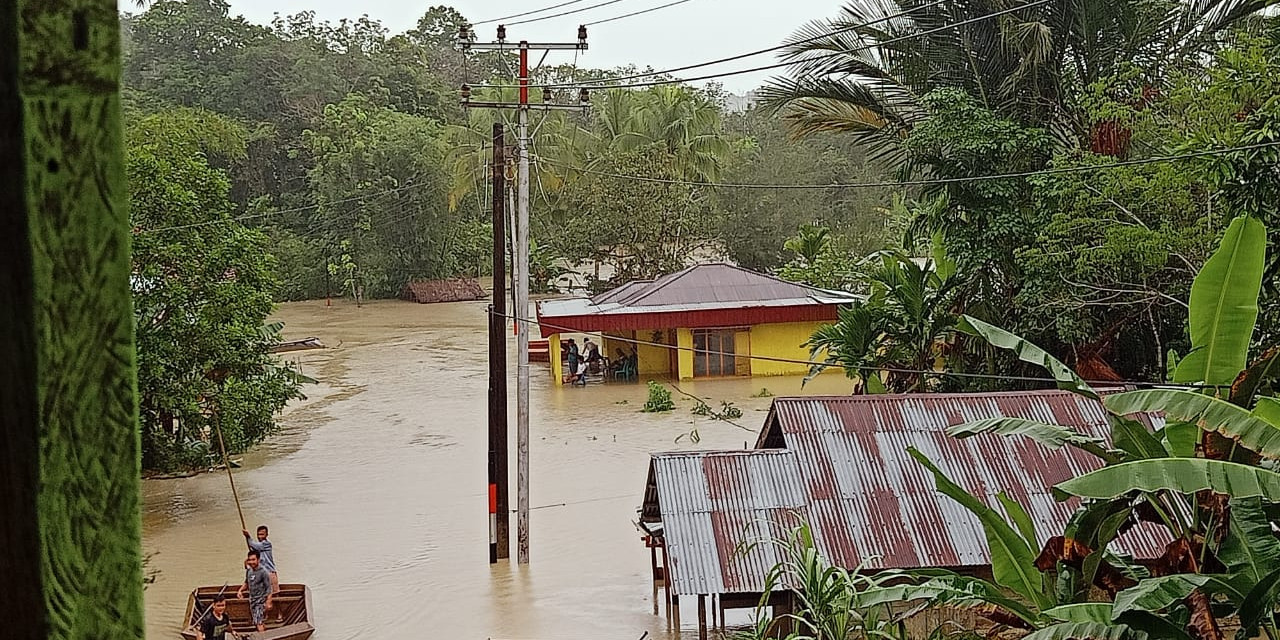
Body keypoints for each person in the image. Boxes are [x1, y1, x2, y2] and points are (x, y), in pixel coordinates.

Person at [243, 525, 281, 621]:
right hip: (262, 574)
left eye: (262, 534)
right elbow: (254, 553)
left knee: (275, 594)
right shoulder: (257, 550)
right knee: (263, 595)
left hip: (270, 572)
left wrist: (248, 536)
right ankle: (265, 615)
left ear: (266, 534)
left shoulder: (266, 544)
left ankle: (279, 613)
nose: (260, 536)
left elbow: (255, 545)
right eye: (258, 534)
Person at [237, 549, 272, 634]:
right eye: (250, 559)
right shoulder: (249, 571)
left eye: (253, 559)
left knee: (258, 622)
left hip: (260, 601)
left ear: (258, 560)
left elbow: (269, 588)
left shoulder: (263, 572)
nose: (251, 562)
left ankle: (262, 636)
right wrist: (240, 591)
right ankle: (265, 635)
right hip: (252, 600)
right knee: (259, 621)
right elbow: (246, 583)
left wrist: (268, 601)